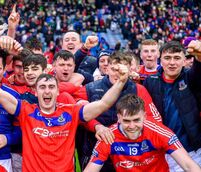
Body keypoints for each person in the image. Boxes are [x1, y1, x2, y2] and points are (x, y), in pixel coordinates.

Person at [0, 52, 129, 172]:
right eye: (42, 87)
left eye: (51, 87)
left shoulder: (71, 111)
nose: (46, 91)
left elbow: (104, 103)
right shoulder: (25, 110)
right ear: (36, 91)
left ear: (57, 92)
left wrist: (121, 81)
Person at [84, 94, 201, 172]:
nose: (132, 126)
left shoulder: (159, 132)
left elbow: (188, 165)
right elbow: (91, 169)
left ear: (144, 117)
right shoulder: (109, 136)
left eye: (136, 120)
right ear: (118, 118)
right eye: (126, 121)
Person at [144, 40, 201, 171]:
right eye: (167, 58)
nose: (172, 63)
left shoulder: (191, 78)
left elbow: (199, 69)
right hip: (163, 150)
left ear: (184, 60)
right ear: (160, 59)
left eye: (177, 58)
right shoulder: (150, 82)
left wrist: (199, 56)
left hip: (193, 150)